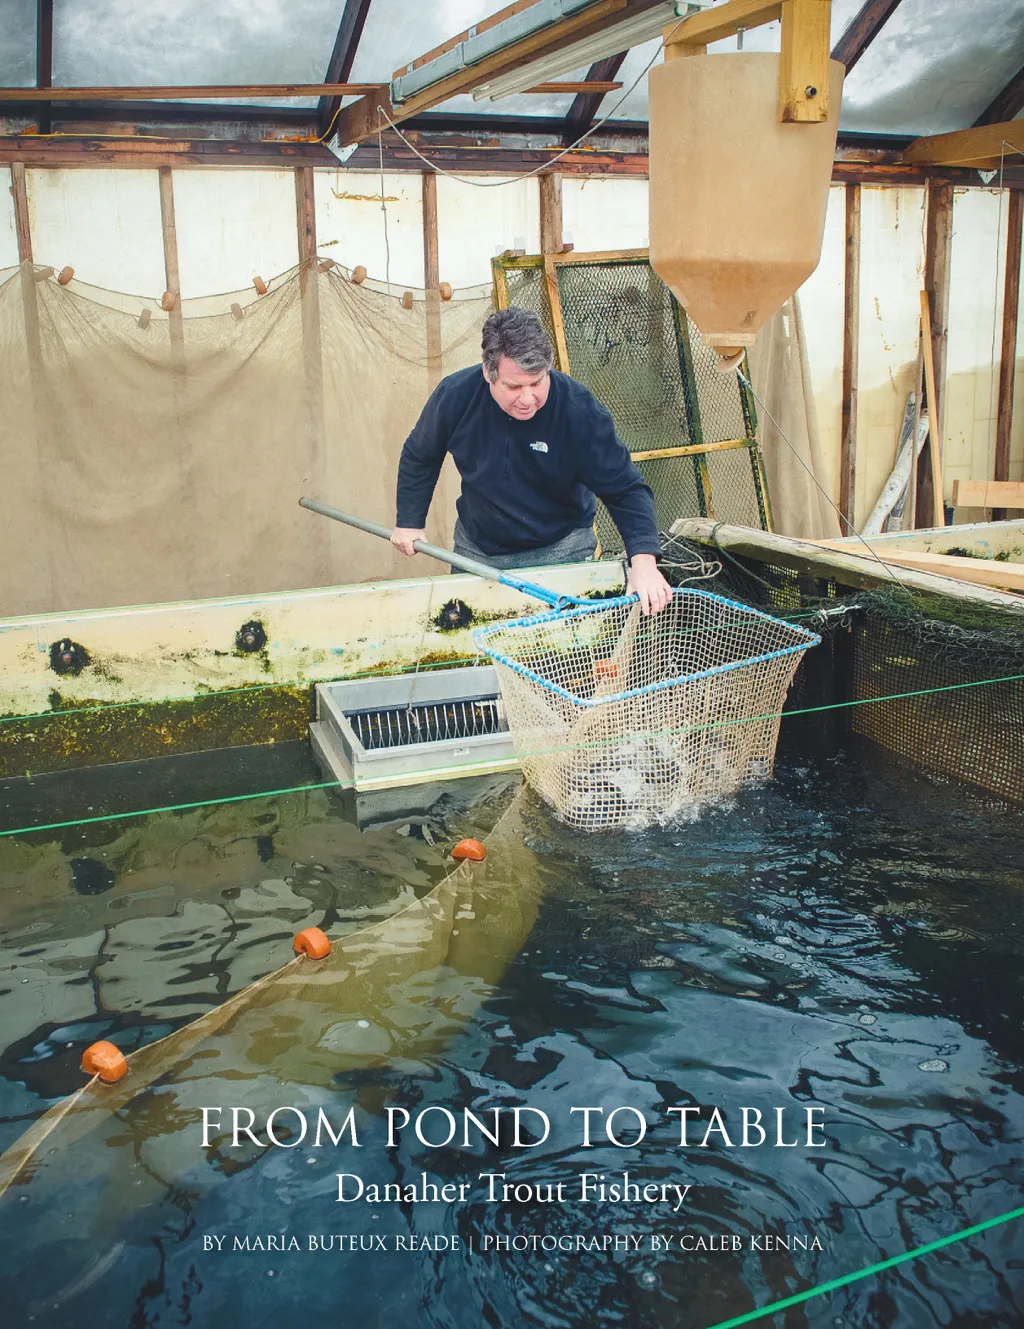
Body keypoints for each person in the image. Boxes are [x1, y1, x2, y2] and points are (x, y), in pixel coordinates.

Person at [391, 307, 673, 616]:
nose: (527, 399)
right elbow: (421, 454)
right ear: (488, 374)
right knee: (469, 638)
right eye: (514, 387)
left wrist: (643, 562)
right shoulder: (455, 395)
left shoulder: (578, 410)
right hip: (478, 552)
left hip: (561, 551)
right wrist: (409, 521)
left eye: (537, 382)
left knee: (560, 643)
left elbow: (625, 488)